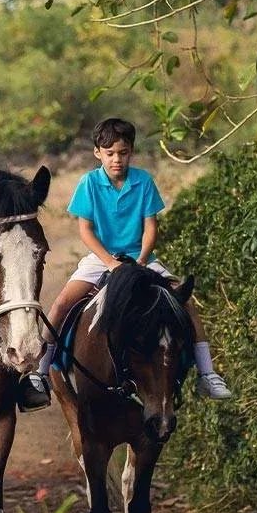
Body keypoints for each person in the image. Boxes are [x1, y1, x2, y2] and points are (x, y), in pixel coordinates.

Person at [20, 117, 232, 409]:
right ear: (98, 153)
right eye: (110, 154)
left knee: (185, 303)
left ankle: (208, 374)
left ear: (131, 151)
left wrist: (141, 261)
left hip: (143, 259)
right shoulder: (89, 183)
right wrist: (110, 263)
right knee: (61, 305)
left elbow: (151, 228)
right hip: (101, 259)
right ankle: (40, 375)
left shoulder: (143, 181)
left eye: (122, 153)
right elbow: (85, 230)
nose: (116, 159)